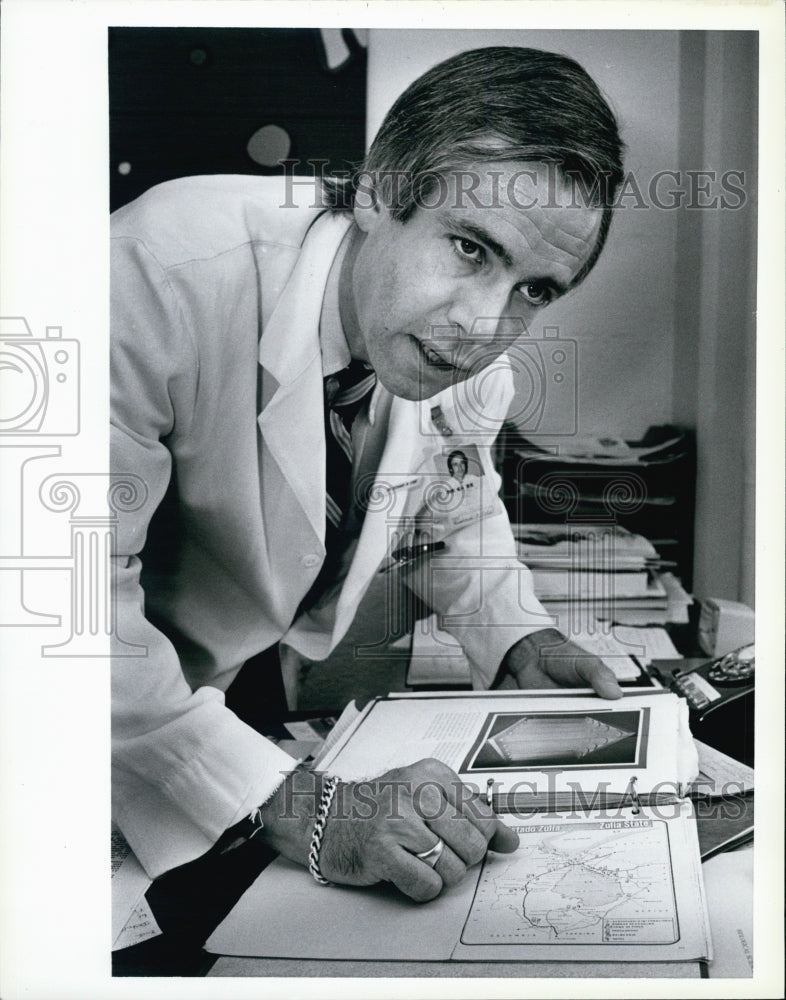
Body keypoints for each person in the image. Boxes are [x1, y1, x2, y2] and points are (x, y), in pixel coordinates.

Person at [111, 45, 625, 900]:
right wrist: (298, 808)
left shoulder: (462, 347)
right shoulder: (154, 273)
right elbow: (58, 606)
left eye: (536, 290)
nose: (484, 327)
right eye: (469, 247)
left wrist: (520, 637)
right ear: (381, 187)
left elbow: (452, 513)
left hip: (238, 698)